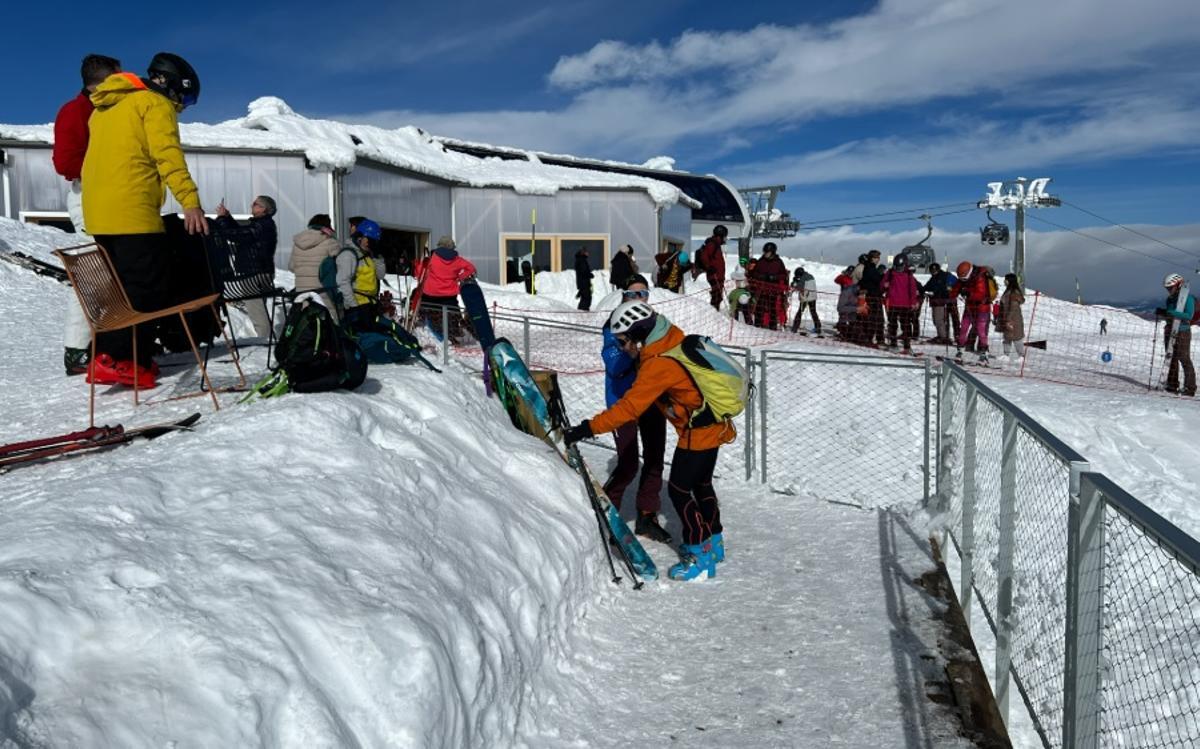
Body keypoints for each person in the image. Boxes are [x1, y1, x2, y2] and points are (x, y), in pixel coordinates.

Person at [563, 302, 735, 581]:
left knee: (679, 490)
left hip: (697, 432)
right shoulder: (670, 339)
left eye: (623, 341)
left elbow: (628, 408)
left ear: (638, 336)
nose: (621, 348)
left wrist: (586, 428)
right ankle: (714, 544)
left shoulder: (658, 364)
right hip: (712, 424)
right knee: (701, 484)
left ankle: (700, 555)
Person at [82, 52, 206, 389]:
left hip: (98, 212)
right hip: (132, 209)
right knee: (147, 289)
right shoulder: (154, 103)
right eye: (183, 99)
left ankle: (118, 357)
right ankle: (117, 360)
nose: (181, 107)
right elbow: (167, 155)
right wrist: (190, 201)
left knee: (120, 290)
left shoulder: (104, 108)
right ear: (172, 86)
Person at [54, 53, 123, 376]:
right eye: (117, 75)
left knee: (114, 273)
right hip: (88, 196)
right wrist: (104, 167)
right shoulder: (75, 111)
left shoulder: (108, 109)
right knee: (92, 273)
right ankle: (77, 350)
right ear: (103, 79)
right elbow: (65, 163)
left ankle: (107, 342)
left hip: (113, 196)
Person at [598, 275, 670, 543]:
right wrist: (633, 350)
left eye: (644, 294)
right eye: (633, 294)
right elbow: (613, 364)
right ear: (624, 296)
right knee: (628, 464)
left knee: (654, 459)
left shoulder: (655, 323)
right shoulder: (614, 325)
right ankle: (608, 512)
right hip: (623, 402)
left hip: (652, 400)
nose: (639, 299)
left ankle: (647, 516)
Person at [214, 195, 278, 337]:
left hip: (253, 273)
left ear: (264, 209)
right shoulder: (262, 225)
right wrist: (228, 218)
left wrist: (221, 220)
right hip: (258, 271)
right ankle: (267, 338)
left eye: (255, 204)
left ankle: (265, 340)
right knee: (258, 308)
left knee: (256, 310)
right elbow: (241, 232)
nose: (251, 205)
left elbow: (237, 235)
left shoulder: (262, 225)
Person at [417, 235, 477, 340]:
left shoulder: (432, 257)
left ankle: (424, 328)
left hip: (430, 293)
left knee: (425, 311)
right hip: (449, 295)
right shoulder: (457, 260)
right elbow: (471, 268)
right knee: (452, 314)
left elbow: (420, 271)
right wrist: (460, 277)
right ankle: (453, 333)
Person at [337, 218, 384, 332]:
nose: (369, 244)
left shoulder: (369, 255)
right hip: (357, 307)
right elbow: (342, 282)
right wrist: (353, 307)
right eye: (369, 240)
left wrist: (377, 256)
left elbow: (381, 275)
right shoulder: (348, 255)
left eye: (373, 241)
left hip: (371, 305)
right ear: (359, 237)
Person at [1157, 273, 1196, 396]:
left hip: (1183, 331)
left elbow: (1188, 316)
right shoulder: (1170, 299)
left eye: (1170, 288)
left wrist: (1171, 313)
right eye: (1167, 288)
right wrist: (1163, 312)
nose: (1169, 291)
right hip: (1170, 329)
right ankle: (1172, 385)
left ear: (1179, 285)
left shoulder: (1188, 298)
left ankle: (1190, 388)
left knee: (1184, 358)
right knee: (1171, 357)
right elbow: (1171, 313)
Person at [289, 213, 339, 305]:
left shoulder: (298, 242)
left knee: (305, 313)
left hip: (301, 292)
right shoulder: (330, 241)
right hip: (323, 291)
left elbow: (291, 267)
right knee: (328, 313)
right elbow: (340, 266)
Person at [953, 261, 995, 364]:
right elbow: (956, 288)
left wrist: (969, 293)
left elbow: (981, 294)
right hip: (970, 307)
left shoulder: (980, 277)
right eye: (961, 278)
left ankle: (984, 352)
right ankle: (960, 350)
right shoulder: (963, 279)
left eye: (964, 278)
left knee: (981, 330)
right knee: (963, 327)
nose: (963, 280)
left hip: (982, 308)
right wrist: (950, 293)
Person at [884, 256, 921, 352]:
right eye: (897, 267)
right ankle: (895, 344)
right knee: (895, 324)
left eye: (900, 267)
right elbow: (883, 285)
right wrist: (885, 286)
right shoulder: (891, 273)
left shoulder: (908, 274)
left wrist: (913, 302)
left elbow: (912, 289)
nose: (898, 269)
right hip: (894, 303)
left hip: (903, 304)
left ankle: (906, 345)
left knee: (904, 325)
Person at [747, 242, 787, 329]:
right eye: (765, 252)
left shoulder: (778, 262)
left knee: (773, 308)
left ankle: (772, 326)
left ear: (772, 252)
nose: (765, 254)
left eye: (767, 252)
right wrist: (761, 276)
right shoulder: (761, 261)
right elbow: (754, 273)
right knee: (759, 307)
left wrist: (774, 277)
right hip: (762, 288)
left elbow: (784, 275)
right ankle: (757, 325)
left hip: (773, 289)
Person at [693, 225, 728, 311]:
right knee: (716, 296)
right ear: (720, 236)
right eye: (724, 236)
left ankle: (715, 312)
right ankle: (713, 312)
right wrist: (709, 267)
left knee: (718, 296)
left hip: (717, 276)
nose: (725, 239)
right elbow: (704, 256)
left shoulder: (716, 244)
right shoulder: (712, 244)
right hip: (714, 275)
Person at [858, 250, 886, 346]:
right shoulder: (870, 268)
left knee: (878, 319)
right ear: (871, 258)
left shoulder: (871, 268)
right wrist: (883, 276)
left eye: (878, 257)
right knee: (874, 319)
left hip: (875, 296)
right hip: (873, 296)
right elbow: (875, 280)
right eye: (876, 257)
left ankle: (878, 339)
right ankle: (869, 339)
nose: (878, 259)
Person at [922, 262, 955, 344]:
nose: (933, 272)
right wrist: (922, 290)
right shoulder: (934, 277)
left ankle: (943, 337)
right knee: (936, 319)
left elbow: (941, 290)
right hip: (936, 301)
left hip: (941, 302)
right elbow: (927, 286)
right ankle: (941, 335)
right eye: (932, 271)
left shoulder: (942, 277)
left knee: (939, 320)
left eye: (934, 270)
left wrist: (933, 293)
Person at [998, 273, 1026, 360]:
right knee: (1007, 337)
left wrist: (1008, 319)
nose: (1004, 281)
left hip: (1013, 319)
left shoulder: (1014, 293)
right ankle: (1006, 355)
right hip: (1008, 318)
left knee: (1016, 338)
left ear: (1009, 281)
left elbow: (1013, 307)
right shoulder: (1009, 291)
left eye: (1006, 279)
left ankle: (1021, 356)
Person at [790, 266, 822, 336]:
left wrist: (794, 283)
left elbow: (799, 287)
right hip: (812, 297)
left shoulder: (803, 278)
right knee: (813, 312)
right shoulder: (810, 276)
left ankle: (795, 327)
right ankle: (818, 327)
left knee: (800, 312)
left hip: (805, 298)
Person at [834, 266, 859, 340]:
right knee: (842, 314)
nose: (850, 273)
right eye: (849, 271)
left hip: (852, 298)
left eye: (851, 272)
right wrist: (843, 274)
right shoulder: (844, 278)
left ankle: (849, 332)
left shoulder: (854, 279)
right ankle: (842, 331)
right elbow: (836, 280)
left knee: (851, 315)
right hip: (844, 297)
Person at [574, 245, 593, 311]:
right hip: (584, 283)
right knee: (586, 298)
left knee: (584, 298)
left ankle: (582, 310)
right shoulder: (582, 260)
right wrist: (590, 275)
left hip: (582, 283)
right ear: (583, 252)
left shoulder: (580, 260)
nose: (588, 253)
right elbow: (583, 272)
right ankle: (583, 311)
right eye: (587, 252)